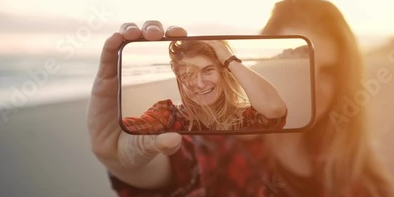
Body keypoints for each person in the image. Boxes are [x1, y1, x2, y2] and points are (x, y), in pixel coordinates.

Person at [87, 0, 394, 197]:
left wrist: (227, 58)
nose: (315, 86)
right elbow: (184, 167)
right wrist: (127, 162)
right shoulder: (226, 144)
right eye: (306, 63)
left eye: (329, 71)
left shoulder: (363, 180)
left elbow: (274, 110)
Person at [121, 39, 288, 133]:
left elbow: (274, 108)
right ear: (177, 75)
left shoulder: (245, 119)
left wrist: (229, 59)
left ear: (224, 71)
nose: (200, 84)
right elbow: (123, 130)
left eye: (208, 71)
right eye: (188, 74)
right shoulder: (168, 116)